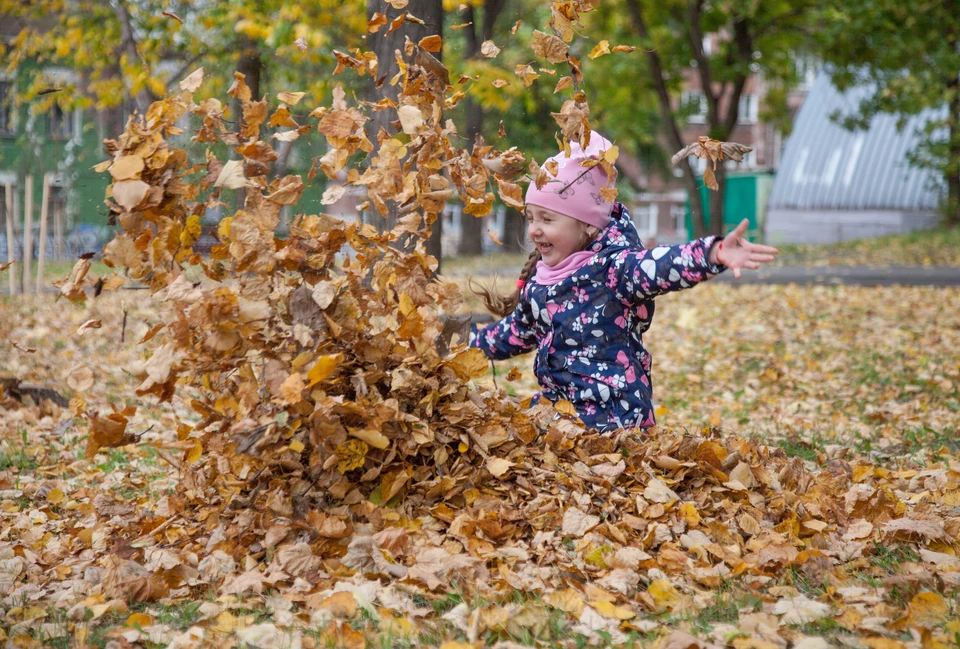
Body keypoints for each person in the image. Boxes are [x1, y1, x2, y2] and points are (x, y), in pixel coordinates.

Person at [470, 132, 779, 432]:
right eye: (532, 217)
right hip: (561, 409)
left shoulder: (615, 270)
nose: (534, 230)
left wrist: (712, 252)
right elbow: (513, 333)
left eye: (547, 219)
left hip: (614, 417)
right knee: (504, 428)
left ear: (587, 225)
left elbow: (661, 265)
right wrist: (467, 345)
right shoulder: (539, 286)